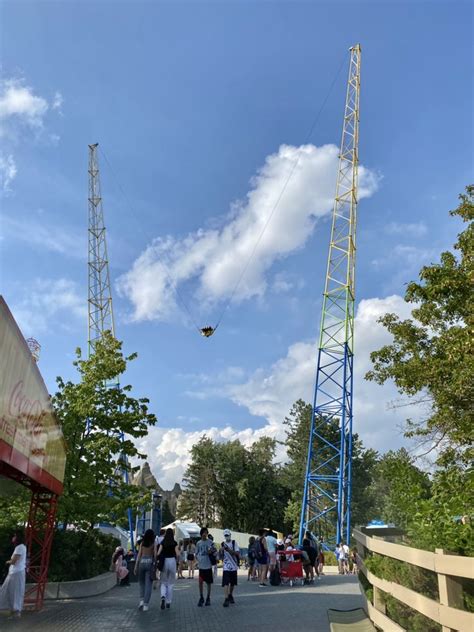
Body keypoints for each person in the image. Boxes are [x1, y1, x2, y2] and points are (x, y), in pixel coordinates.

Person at [0, 530, 27, 619]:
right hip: (15, 572)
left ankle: (15, 611)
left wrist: (8, 561)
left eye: (14, 536)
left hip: (16, 573)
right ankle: (14, 611)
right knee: (12, 591)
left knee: (13, 591)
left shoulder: (19, 547)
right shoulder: (22, 547)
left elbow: (14, 561)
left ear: (18, 538)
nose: (13, 538)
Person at [157, 528, 179, 610]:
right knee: (170, 583)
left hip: (164, 561)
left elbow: (158, 553)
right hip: (172, 561)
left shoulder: (163, 542)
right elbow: (178, 554)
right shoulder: (174, 543)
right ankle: (168, 602)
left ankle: (163, 596)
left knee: (163, 582)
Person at [134, 528, 155, 611]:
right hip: (149, 563)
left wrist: (136, 566)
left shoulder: (142, 543)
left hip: (142, 563)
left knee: (141, 584)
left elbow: (139, 555)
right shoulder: (153, 543)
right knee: (148, 585)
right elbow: (156, 554)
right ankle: (146, 605)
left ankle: (141, 601)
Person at [195, 527, 216, 606]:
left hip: (208, 566)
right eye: (203, 533)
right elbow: (196, 553)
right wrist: (197, 560)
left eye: (206, 533)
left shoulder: (210, 542)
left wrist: (211, 551)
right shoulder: (198, 543)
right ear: (201, 534)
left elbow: (215, 551)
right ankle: (201, 597)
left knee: (208, 583)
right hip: (201, 566)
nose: (204, 534)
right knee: (200, 582)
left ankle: (208, 598)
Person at [219, 529, 240, 607]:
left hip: (234, 566)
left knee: (232, 583)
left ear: (230, 535)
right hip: (226, 567)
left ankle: (230, 594)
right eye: (225, 535)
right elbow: (220, 556)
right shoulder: (222, 544)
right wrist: (220, 551)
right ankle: (226, 598)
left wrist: (229, 550)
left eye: (228, 535)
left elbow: (237, 553)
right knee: (226, 583)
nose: (227, 537)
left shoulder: (234, 543)